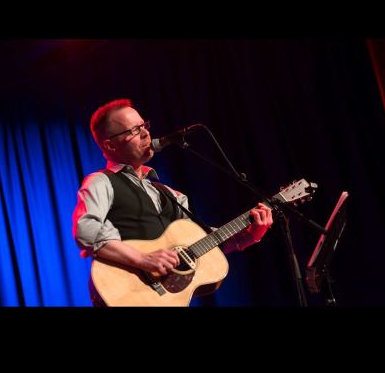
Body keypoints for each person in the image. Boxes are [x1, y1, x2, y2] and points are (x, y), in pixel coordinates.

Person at [72, 98, 273, 305]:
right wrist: (143, 259)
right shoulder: (101, 182)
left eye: (144, 126)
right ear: (110, 145)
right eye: (134, 130)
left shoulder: (171, 195)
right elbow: (86, 231)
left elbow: (200, 244)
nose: (145, 133)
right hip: (126, 294)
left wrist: (249, 235)